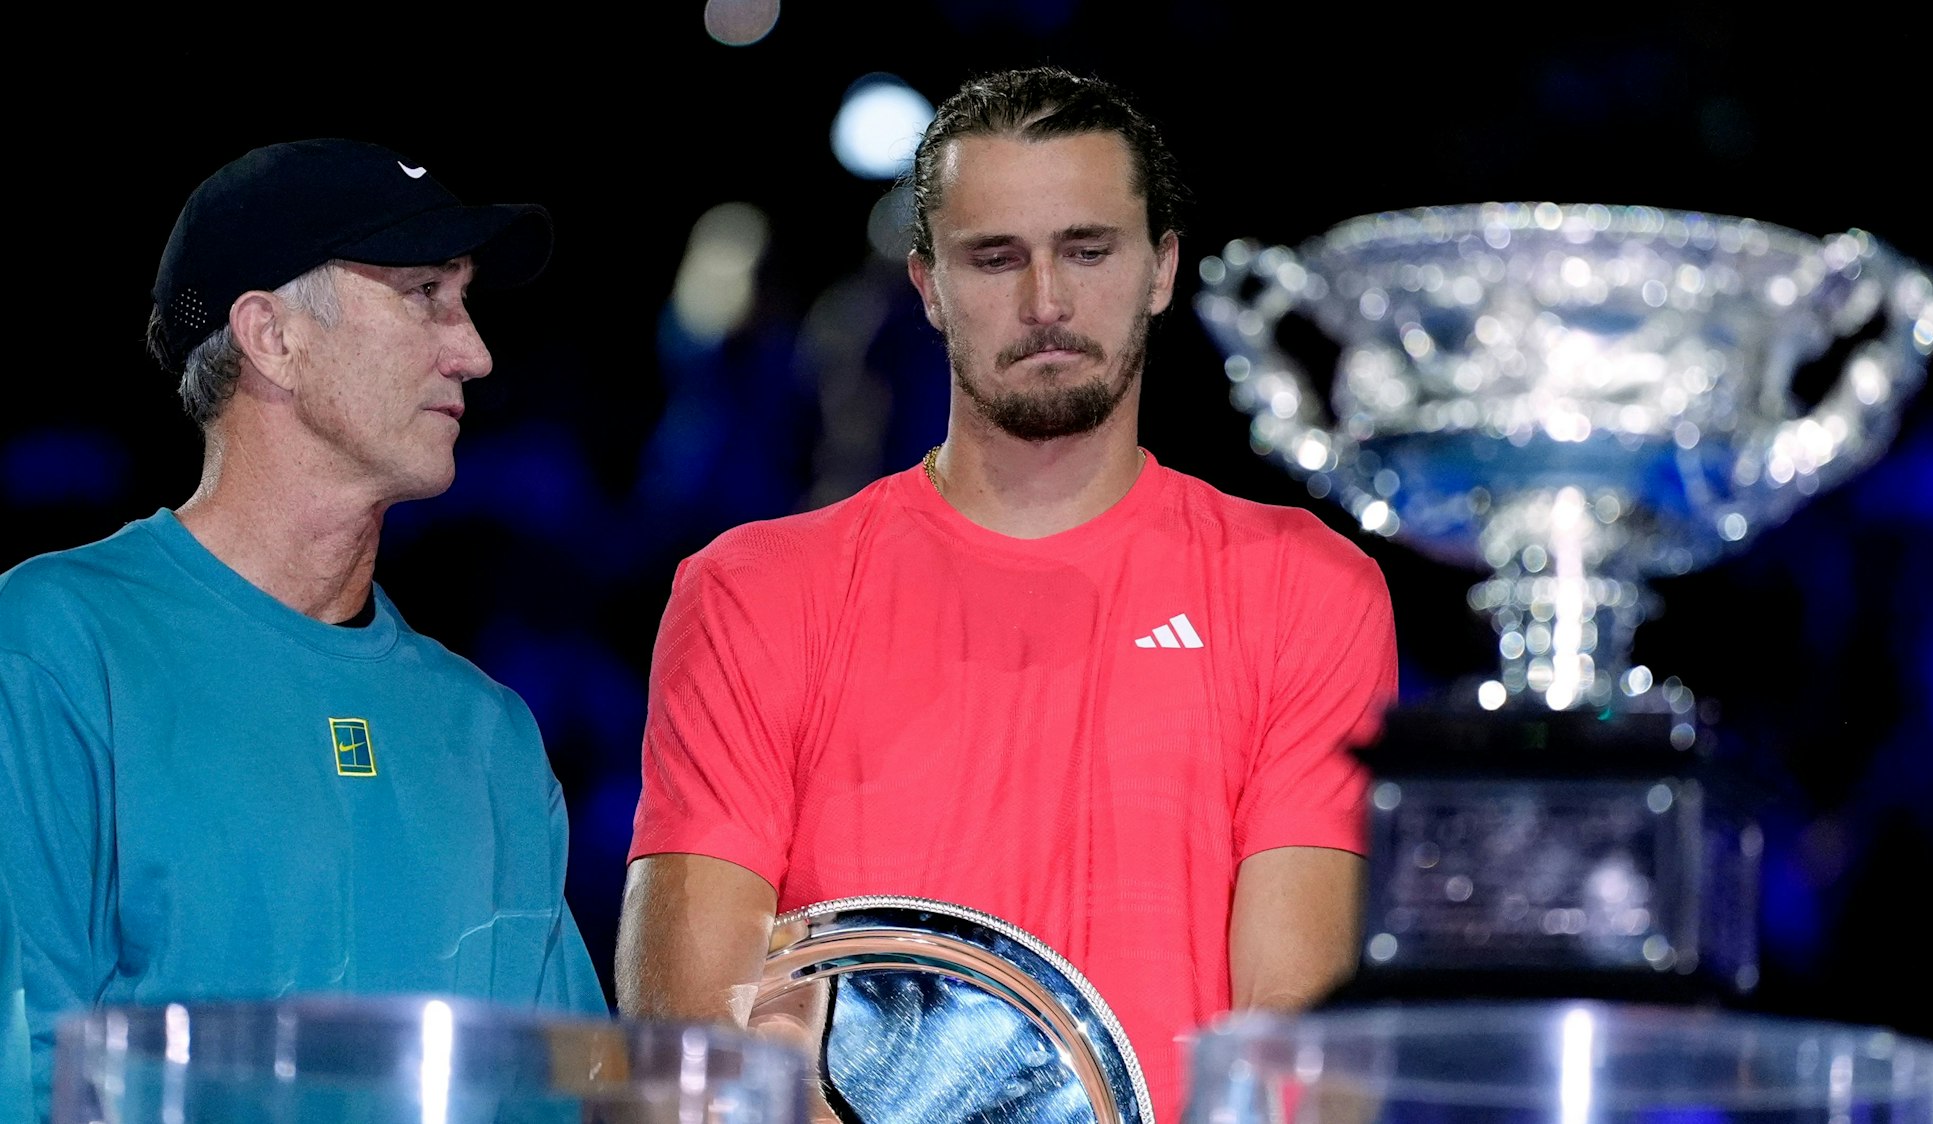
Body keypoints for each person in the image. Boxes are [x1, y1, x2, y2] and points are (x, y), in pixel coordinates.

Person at [617, 67, 1398, 1121]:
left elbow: (1294, 1049)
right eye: (996, 258)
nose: (1046, 303)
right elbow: (690, 1059)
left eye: (1089, 249)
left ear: (1162, 269)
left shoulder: (1305, 586)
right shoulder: (751, 591)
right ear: (929, 285)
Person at [0, 139, 606, 1119]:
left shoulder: (485, 732)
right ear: (272, 335)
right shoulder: (54, 648)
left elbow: (556, 1094)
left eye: (464, 297)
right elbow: (22, 1074)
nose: (475, 350)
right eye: (423, 293)